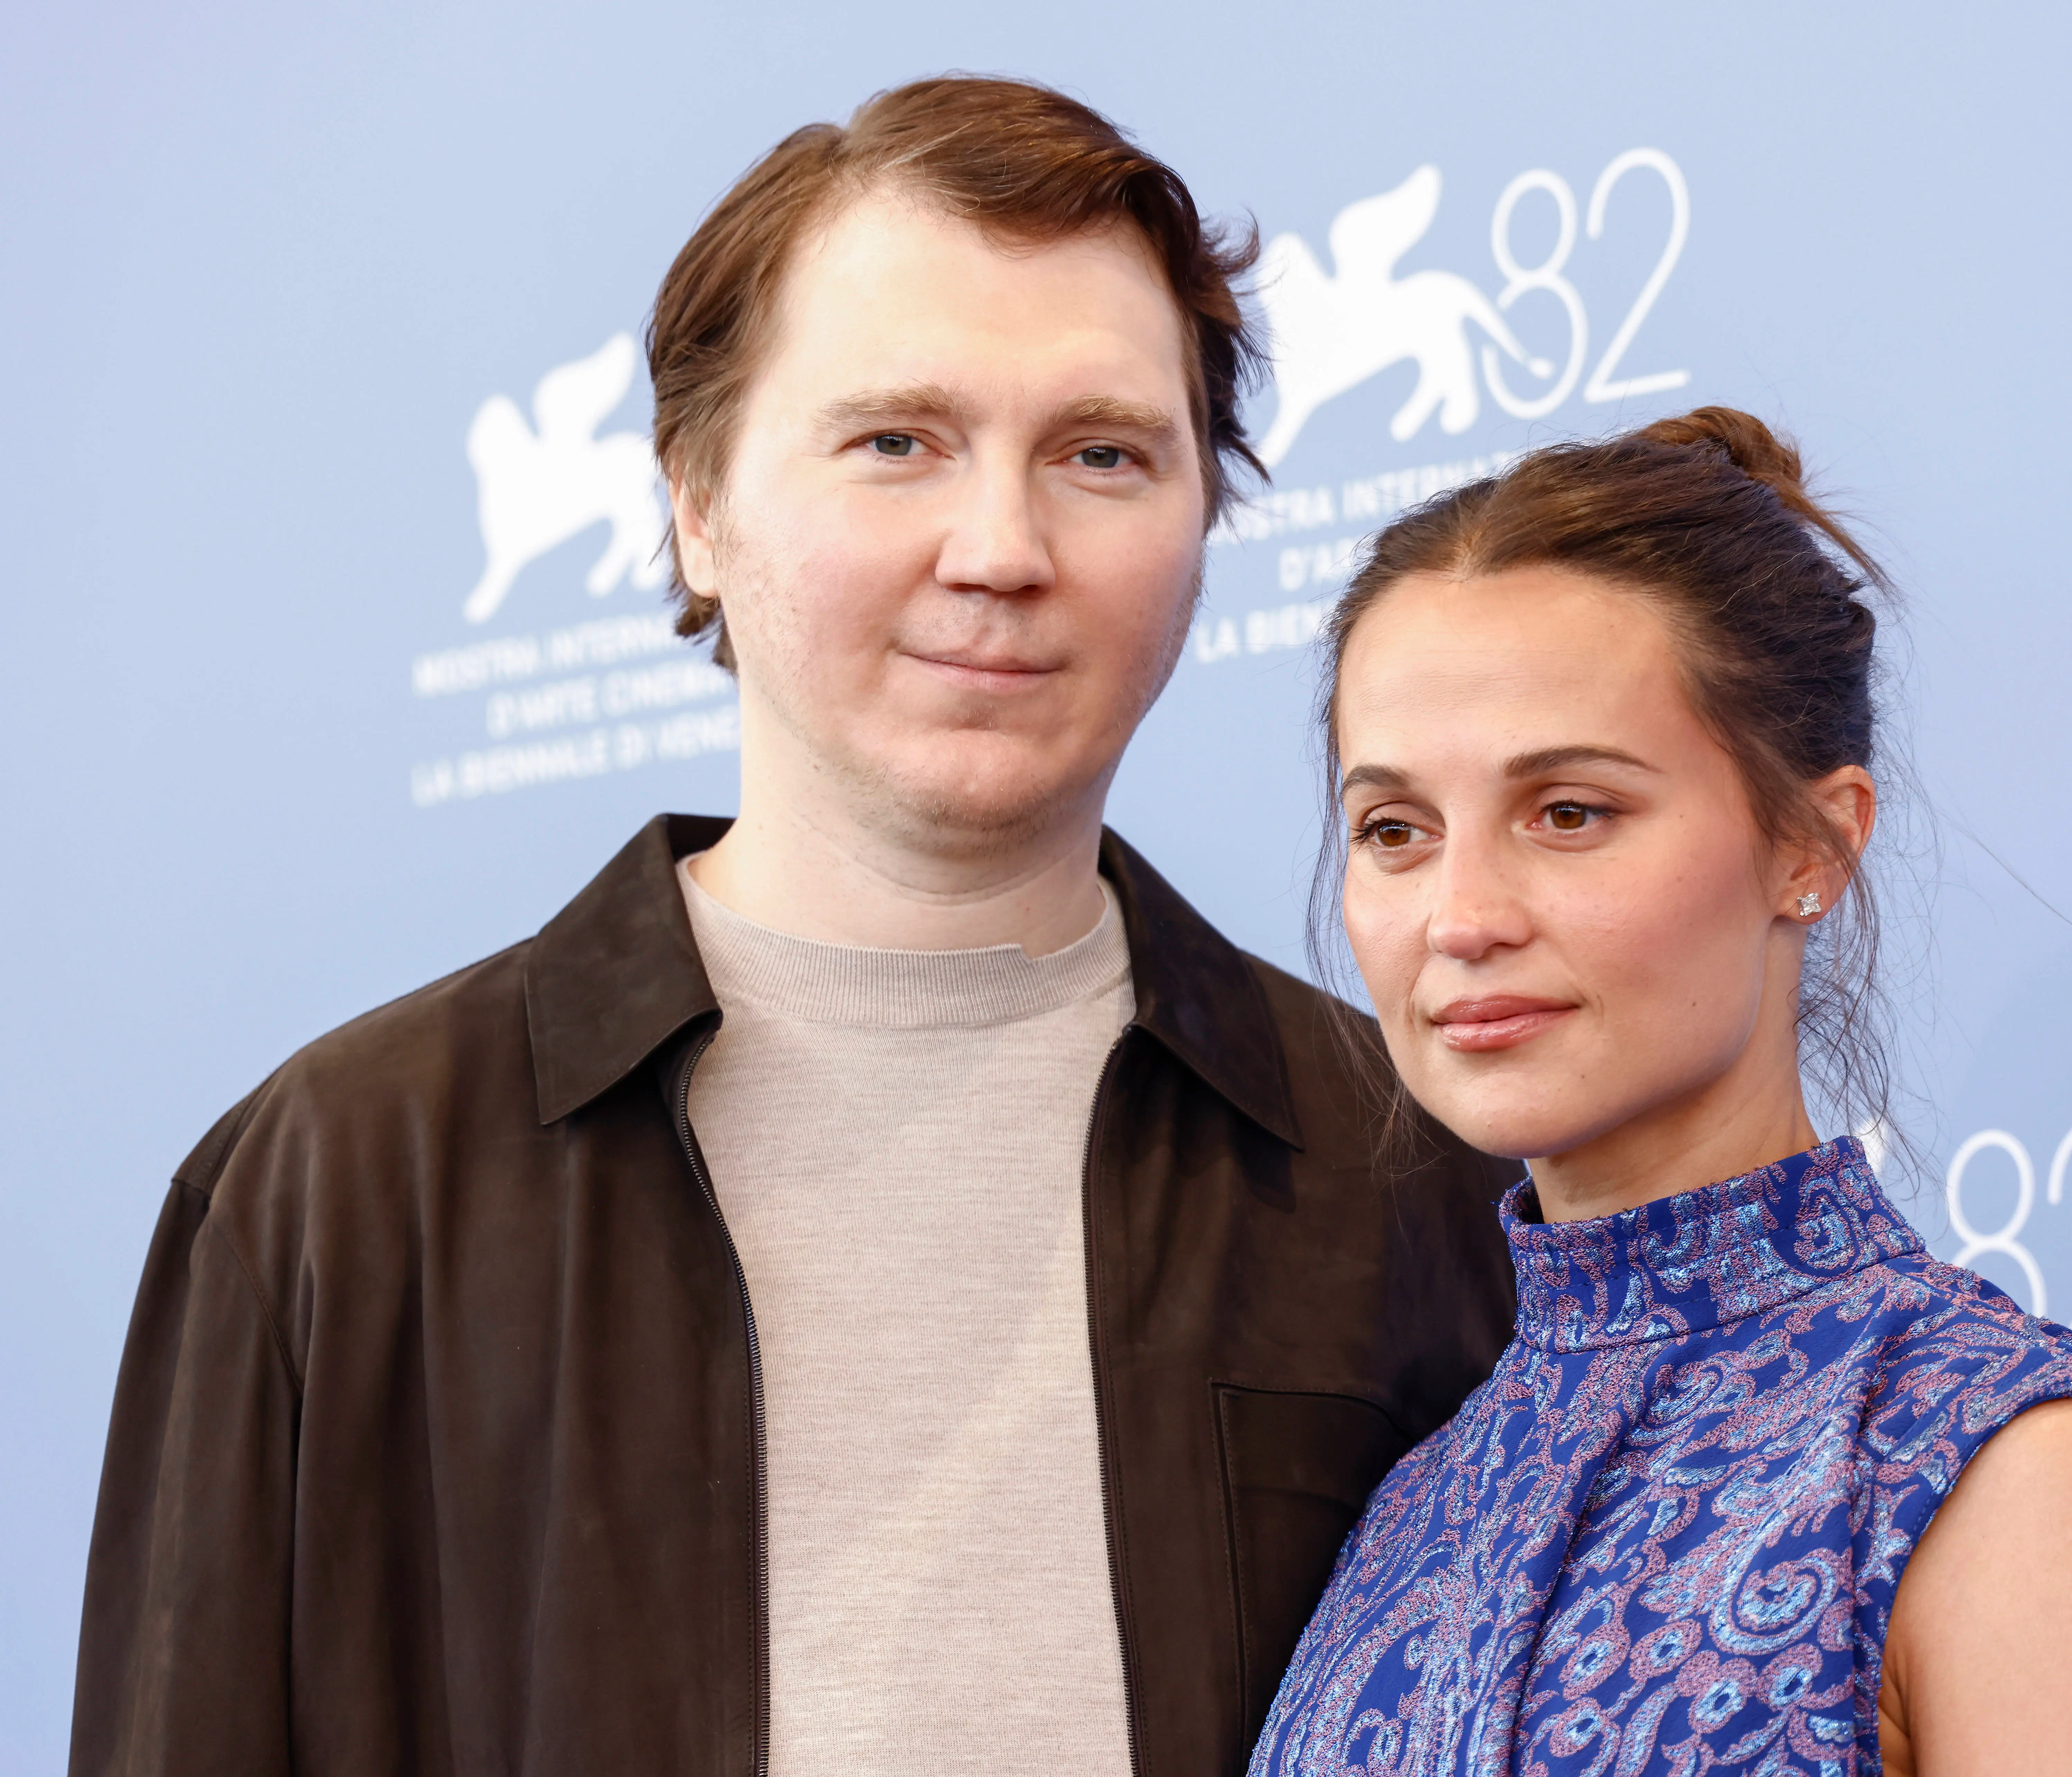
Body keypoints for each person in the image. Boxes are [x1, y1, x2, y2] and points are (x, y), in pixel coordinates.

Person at [69, 78, 1517, 1777]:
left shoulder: (1417, 1170)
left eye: (1103, 455)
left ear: (1206, 522)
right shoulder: (341, 1186)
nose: (1002, 548)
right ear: (697, 500)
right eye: (897, 441)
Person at [1251, 409, 2072, 1775]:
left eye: (1569, 812)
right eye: (1394, 830)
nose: (1460, 916)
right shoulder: (1409, 1515)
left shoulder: (1997, 1453)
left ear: (1811, 844)